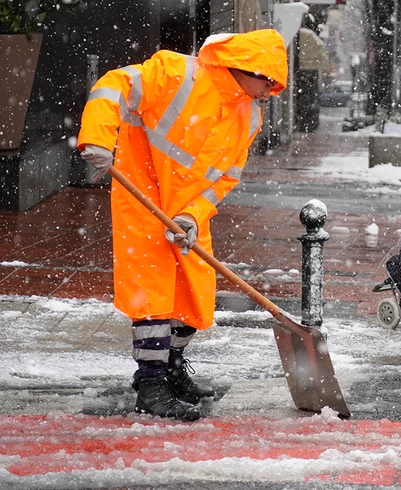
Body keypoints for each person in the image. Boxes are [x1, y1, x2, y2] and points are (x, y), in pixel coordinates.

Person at [78, 29, 288, 420]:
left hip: (186, 213)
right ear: (244, 67)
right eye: (267, 81)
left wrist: (192, 215)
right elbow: (114, 86)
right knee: (153, 294)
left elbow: (225, 176)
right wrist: (98, 139)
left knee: (194, 295)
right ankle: (151, 383)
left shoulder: (249, 115)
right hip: (143, 195)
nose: (270, 91)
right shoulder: (179, 72)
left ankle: (171, 368)